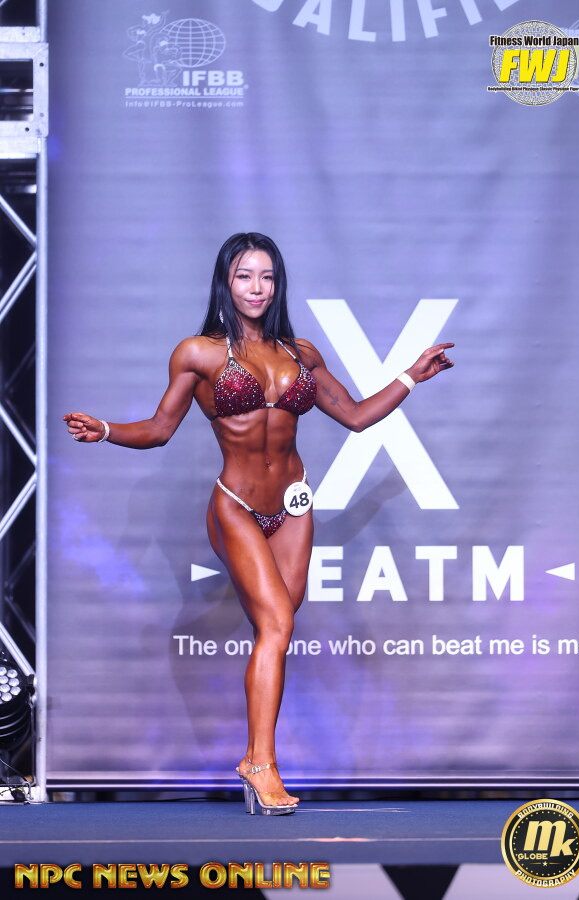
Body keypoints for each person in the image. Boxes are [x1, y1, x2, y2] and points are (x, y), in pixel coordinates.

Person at [63, 232, 454, 816]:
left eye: (267, 276)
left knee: (277, 630)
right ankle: (263, 765)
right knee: (276, 624)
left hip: (292, 507)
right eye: (245, 275)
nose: (257, 287)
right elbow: (160, 428)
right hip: (237, 507)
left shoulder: (301, 353)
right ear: (226, 281)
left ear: (278, 284)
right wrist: (108, 431)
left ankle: (254, 757)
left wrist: (410, 376)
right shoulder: (198, 353)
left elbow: (354, 416)